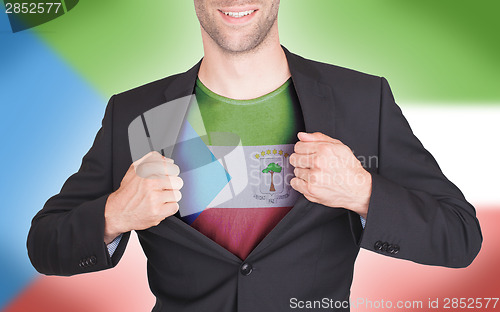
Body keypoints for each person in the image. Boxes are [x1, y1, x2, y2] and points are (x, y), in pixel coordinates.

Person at [27, 1, 482, 311]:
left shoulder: (362, 100)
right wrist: (114, 214)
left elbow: (460, 236)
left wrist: (363, 191)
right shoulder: (136, 113)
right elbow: (45, 245)